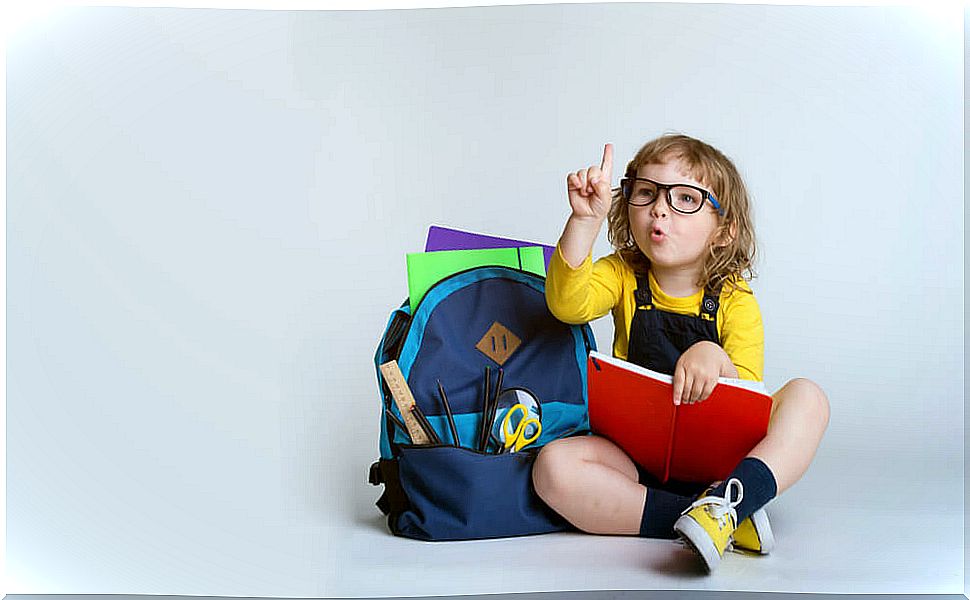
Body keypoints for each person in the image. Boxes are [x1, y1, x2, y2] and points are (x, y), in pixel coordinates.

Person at [532, 133, 830, 573]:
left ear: (725, 230)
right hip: (634, 459)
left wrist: (715, 356)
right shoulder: (620, 273)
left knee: (809, 396)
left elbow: (748, 397)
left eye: (685, 198)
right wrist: (584, 222)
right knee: (552, 468)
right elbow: (566, 303)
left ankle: (733, 499)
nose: (659, 208)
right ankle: (701, 517)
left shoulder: (734, 298)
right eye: (647, 192)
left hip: (720, 462)